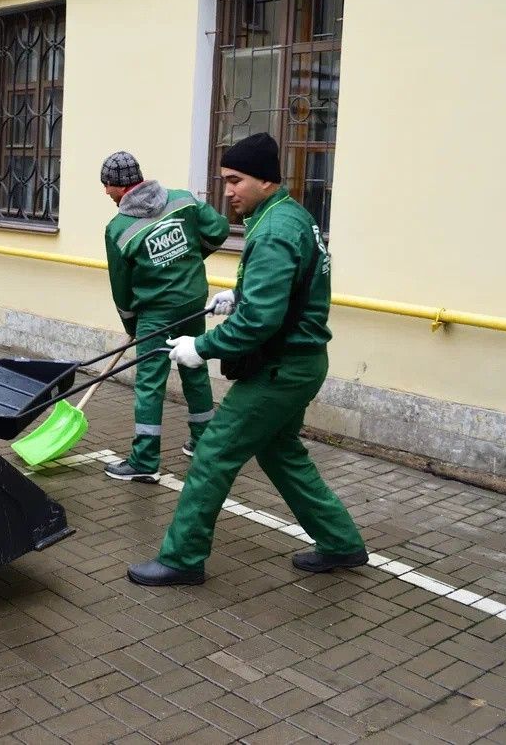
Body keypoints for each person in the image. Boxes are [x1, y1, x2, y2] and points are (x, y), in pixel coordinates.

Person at [128, 132, 366, 586]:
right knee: (281, 454)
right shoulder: (290, 216)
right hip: (302, 362)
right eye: (224, 180)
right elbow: (291, 287)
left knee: (213, 454)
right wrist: (240, 294)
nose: (228, 191)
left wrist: (201, 347)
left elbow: (260, 322)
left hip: (281, 368)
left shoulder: (275, 229)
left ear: (265, 180)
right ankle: (341, 543)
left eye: (235, 180)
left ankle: (182, 558)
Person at [100, 151, 230, 484]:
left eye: (107, 187)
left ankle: (144, 460)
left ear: (120, 186)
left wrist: (133, 326)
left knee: (149, 383)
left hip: (156, 313)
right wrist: (187, 258)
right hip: (193, 302)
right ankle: (203, 441)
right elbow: (218, 230)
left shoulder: (118, 228)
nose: (106, 194)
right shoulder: (183, 201)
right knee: (194, 366)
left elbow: (122, 288)